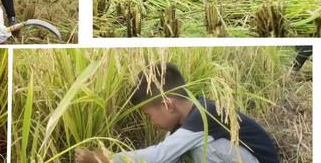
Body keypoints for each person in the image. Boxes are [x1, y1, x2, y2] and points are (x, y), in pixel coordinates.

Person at [76, 62, 279, 163]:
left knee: (205, 148)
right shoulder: (185, 121)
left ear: (167, 105)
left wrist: (107, 159)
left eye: (149, 116)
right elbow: (168, 154)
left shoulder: (203, 115)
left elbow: (159, 155)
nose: (152, 122)